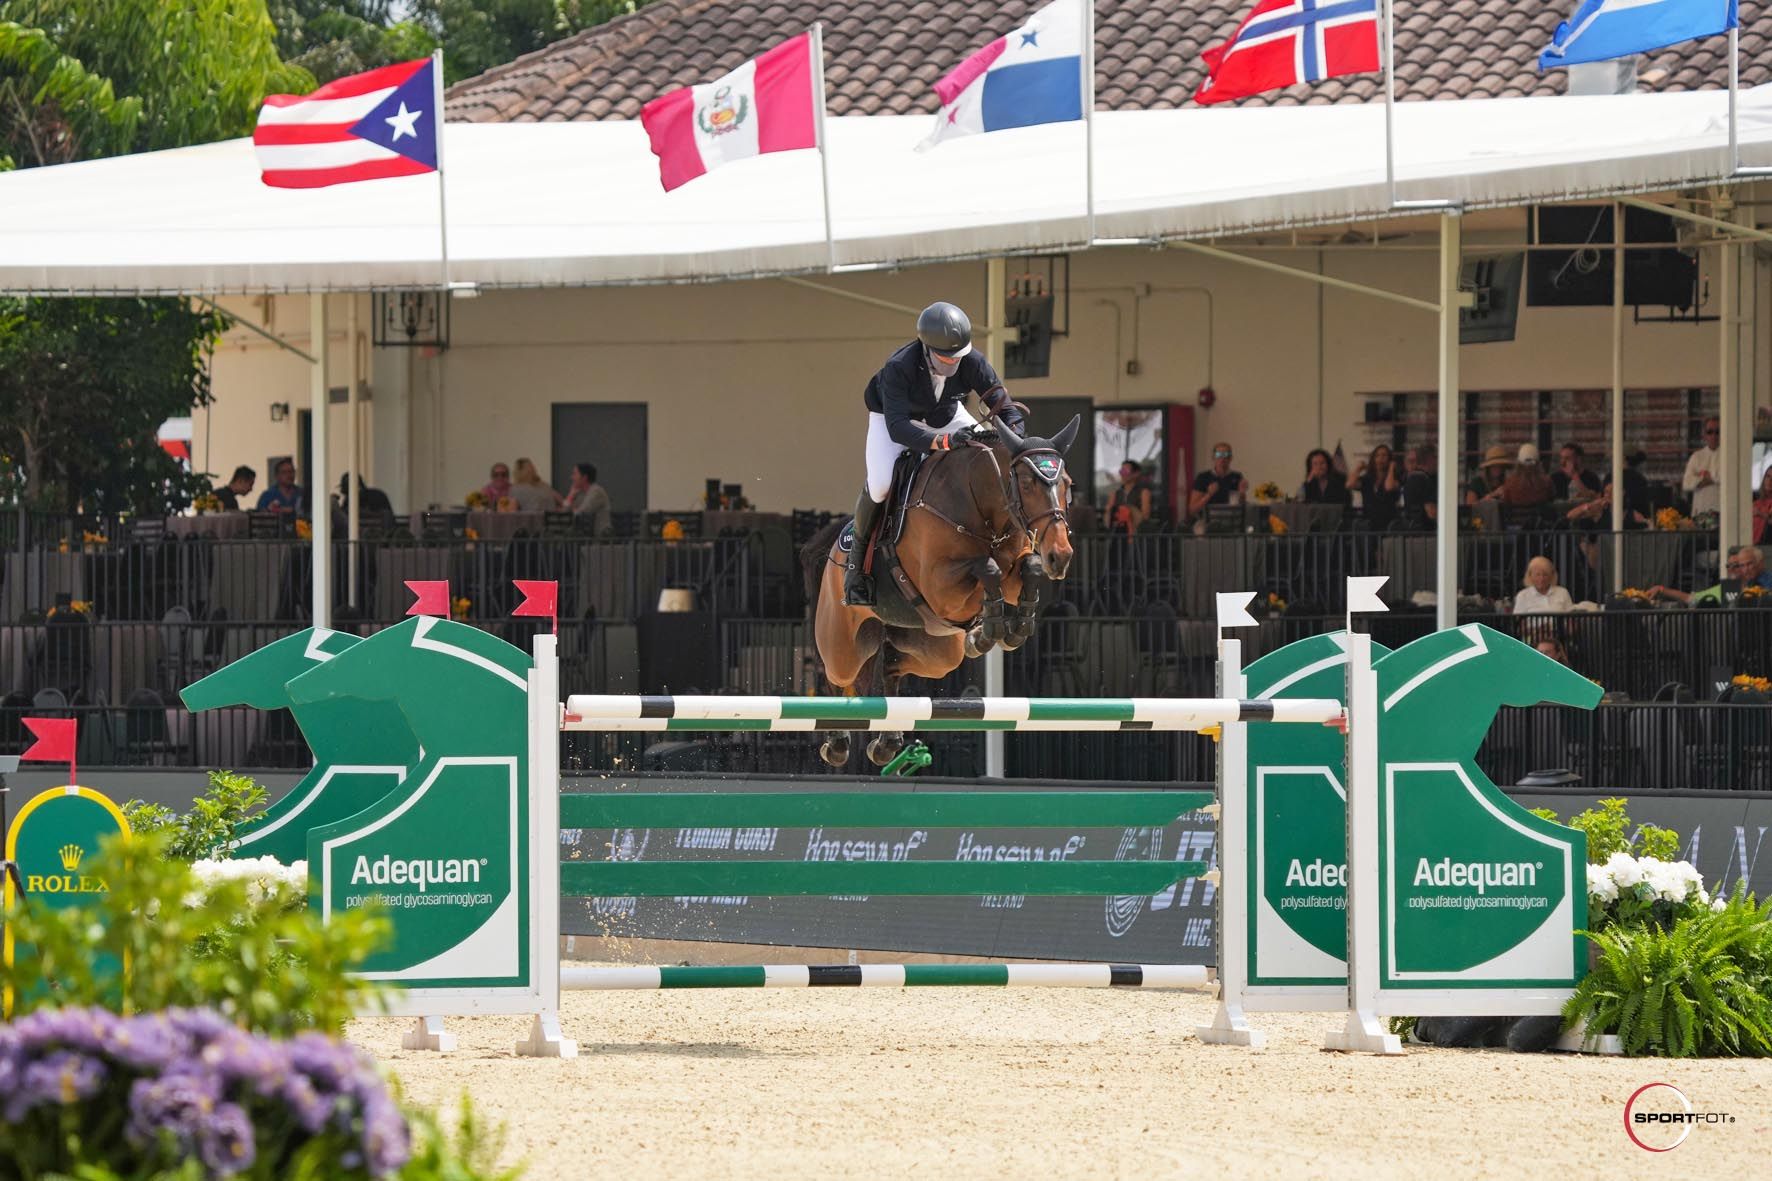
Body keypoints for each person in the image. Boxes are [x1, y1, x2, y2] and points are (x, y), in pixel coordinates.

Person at [846, 301, 1026, 605]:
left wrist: (1017, 442)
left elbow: (1001, 402)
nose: (953, 364)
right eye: (945, 358)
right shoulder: (898, 367)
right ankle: (855, 566)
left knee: (989, 454)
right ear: (926, 347)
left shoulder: (971, 360)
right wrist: (943, 442)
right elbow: (899, 428)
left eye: (957, 358)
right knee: (880, 484)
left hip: (946, 414)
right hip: (895, 419)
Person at [1650, 545, 1772, 604]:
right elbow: (1692, 598)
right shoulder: (1729, 587)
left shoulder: (1767, 580)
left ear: (1760, 563)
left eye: (1748, 564)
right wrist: (1662, 589)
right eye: (1728, 566)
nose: (1744, 569)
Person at [1187, 442, 1248, 520]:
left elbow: (1241, 506)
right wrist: (1208, 495)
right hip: (1208, 522)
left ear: (1230, 458)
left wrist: (1242, 493)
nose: (1222, 459)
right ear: (1213, 457)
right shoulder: (1203, 477)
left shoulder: (1237, 476)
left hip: (1231, 521)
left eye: (1226, 455)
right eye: (1219, 455)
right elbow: (1192, 510)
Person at [1349, 443, 1401, 528]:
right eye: (1377, 455)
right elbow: (1350, 484)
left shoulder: (1395, 477)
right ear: (1373, 459)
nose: (1381, 459)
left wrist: (1391, 467)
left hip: (1389, 523)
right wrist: (1358, 469)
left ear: (1389, 459)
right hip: (1369, 523)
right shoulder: (1367, 479)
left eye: (1384, 455)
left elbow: (1389, 486)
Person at [1495, 443, 1555, 509]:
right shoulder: (1547, 482)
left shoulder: (1510, 483)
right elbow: (1551, 500)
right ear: (1538, 464)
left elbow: (1506, 504)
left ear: (1519, 464)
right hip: (1540, 519)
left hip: (1515, 519)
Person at [1682, 417, 1721, 518]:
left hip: (1721, 513)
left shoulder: (1728, 456)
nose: (1714, 436)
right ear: (1704, 435)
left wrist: (1701, 479)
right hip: (1700, 512)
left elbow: (1728, 479)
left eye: (1717, 432)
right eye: (1710, 432)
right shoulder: (1696, 457)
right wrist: (1713, 479)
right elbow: (1686, 483)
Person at [1103, 460, 1153, 534]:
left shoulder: (1143, 492)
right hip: (1118, 531)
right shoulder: (1115, 494)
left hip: (1137, 533)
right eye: (1121, 471)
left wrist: (1129, 510)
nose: (1122, 474)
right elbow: (1107, 520)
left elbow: (1145, 518)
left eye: (1125, 471)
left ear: (1136, 474)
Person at [564, 462, 612, 535]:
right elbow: (564, 515)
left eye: (575, 474)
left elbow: (582, 512)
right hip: (583, 537)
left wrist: (573, 510)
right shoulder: (579, 493)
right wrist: (570, 496)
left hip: (599, 539)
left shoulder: (596, 491)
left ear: (584, 477)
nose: (572, 477)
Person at [1401, 443, 1438, 527]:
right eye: (1436, 457)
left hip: (1415, 528)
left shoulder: (1413, 477)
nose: (1438, 461)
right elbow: (1431, 512)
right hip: (1424, 532)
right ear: (1429, 459)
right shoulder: (1421, 479)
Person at [1755, 468, 1772, 546]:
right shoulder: (1756, 501)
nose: (1770, 481)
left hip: (1762, 544)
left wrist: (1759, 513)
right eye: (1767, 476)